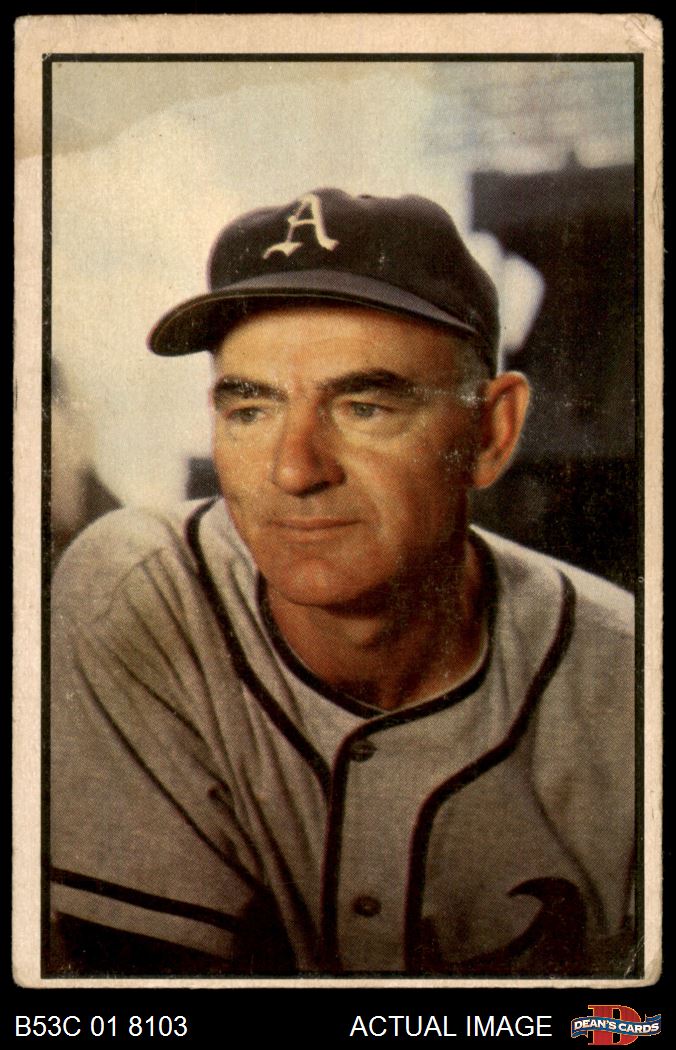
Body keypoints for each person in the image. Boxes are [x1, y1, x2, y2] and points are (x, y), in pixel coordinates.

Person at [49, 188, 635, 978]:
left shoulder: (630, 682)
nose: (294, 470)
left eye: (364, 407)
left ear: (491, 433)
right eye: (250, 410)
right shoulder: (144, 590)